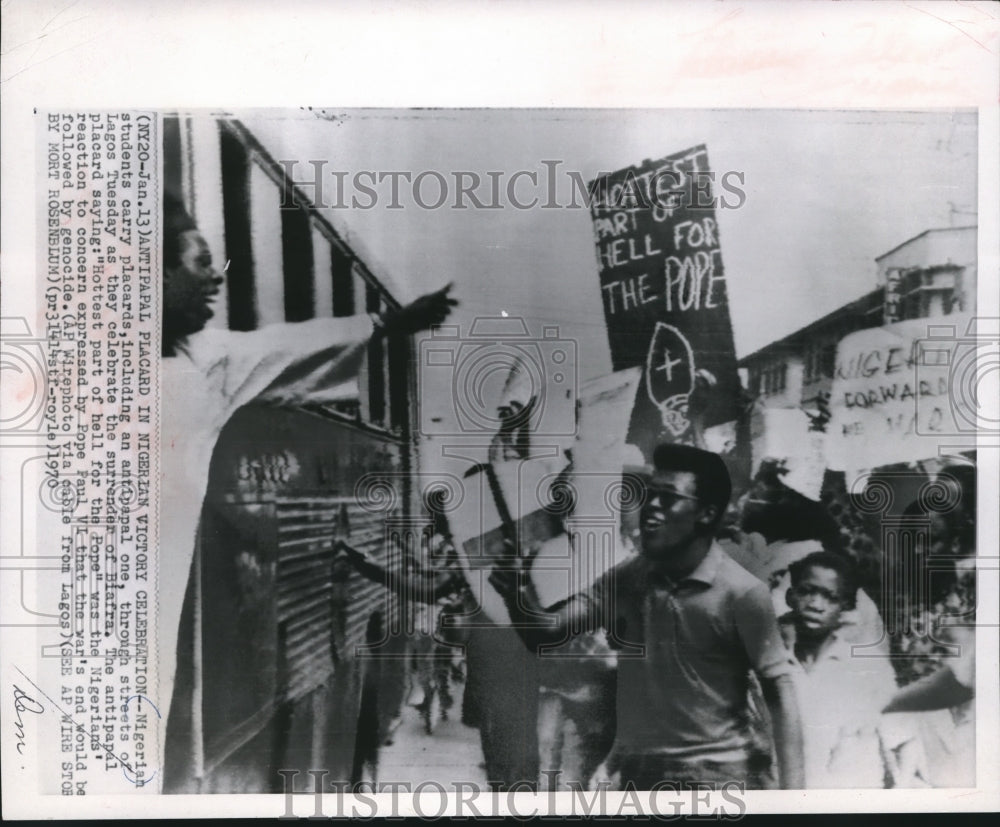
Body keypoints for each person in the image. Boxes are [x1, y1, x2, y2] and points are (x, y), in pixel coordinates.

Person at [159, 192, 457, 791]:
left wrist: (384, 324)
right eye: (200, 264)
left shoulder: (204, 358)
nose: (216, 280)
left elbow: (285, 346)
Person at [490, 443, 805, 790]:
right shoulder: (630, 577)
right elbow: (548, 631)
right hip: (644, 778)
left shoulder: (741, 592)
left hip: (720, 781)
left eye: (668, 498)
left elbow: (779, 691)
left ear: (706, 514)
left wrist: (793, 797)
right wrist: (516, 594)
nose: (651, 507)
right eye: (650, 495)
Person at [779, 551, 918, 788]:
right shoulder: (772, 666)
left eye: (830, 597)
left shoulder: (869, 667)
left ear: (845, 606)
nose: (815, 605)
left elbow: (904, 741)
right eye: (806, 592)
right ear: (791, 597)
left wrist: (900, 797)